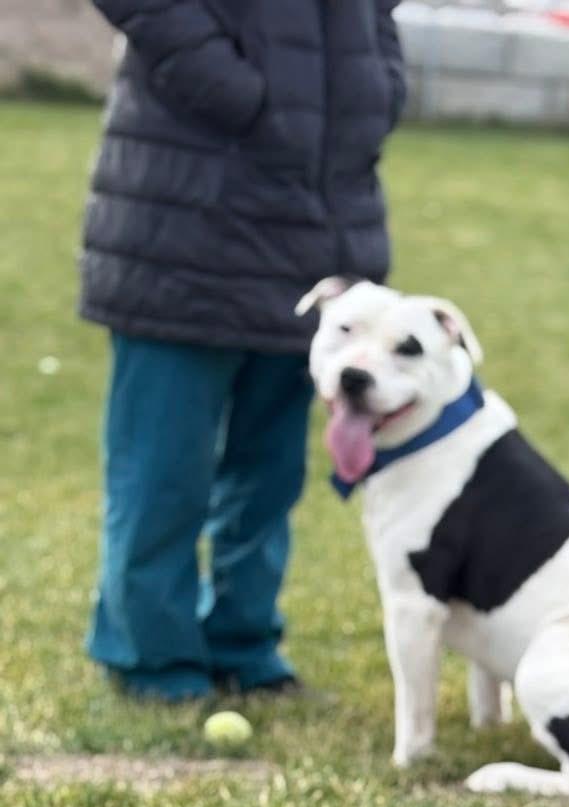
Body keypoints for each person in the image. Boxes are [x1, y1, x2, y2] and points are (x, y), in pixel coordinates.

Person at [79, 0, 406, 701]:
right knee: (163, 470)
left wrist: (375, 76)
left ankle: (243, 643)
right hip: (182, 225)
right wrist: (226, 80)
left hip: (318, 231)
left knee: (270, 474)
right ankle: (152, 659)